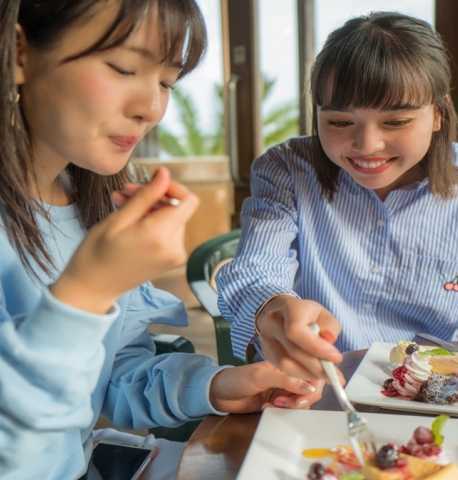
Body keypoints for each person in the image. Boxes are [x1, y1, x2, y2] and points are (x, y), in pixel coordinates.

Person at [0, 1, 324, 478]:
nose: (151, 108)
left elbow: (113, 376)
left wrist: (215, 386)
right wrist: (85, 294)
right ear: (18, 53)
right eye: (124, 67)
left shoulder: (93, 209)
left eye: (167, 82)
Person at [216, 11, 458, 381]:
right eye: (340, 122)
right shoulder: (287, 169)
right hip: (314, 385)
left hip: (429, 390)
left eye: (396, 121)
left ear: (438, 113)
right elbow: (256, 269)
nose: (367, 145)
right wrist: (273, 308)